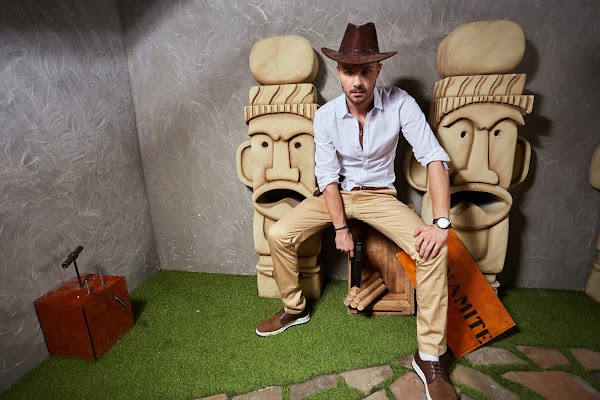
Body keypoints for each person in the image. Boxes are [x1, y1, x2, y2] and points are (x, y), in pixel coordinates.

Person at [255, 22, 457, 400]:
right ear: (339, 72)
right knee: (279, 233)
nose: (357, 82)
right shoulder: (326, 116)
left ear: (378, 70)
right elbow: (327, 177)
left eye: (365, 71)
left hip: (381, 197)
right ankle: (295, 308)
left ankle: (429, 357)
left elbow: (433, 158)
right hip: (338, 195)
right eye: (349, 72)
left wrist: (441, 222)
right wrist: (340, 227)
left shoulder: (400, 103)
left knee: (433, 252)